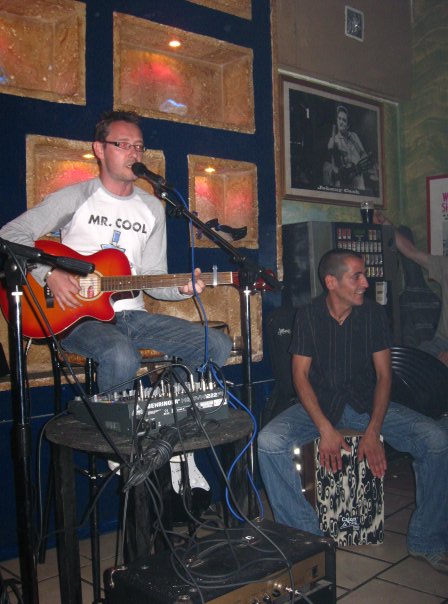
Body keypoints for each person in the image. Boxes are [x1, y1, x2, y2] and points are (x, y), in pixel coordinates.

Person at [0, 110, 232, 392]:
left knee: (217, 344)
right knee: (121, 354)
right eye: (123, 144)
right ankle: (116, 421)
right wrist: (49, 273)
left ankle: (162, 404)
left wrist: (182, 289)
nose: (133, 153)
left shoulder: (152, 208)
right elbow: (9, 234)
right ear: (99, 149)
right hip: (77, 319)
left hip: (134, 316)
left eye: (139, 146)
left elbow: (153, 276)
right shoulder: (77, 196)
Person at [258, 249, 448, 573]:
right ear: (331, 282)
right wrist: (325, 429)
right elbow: (300, 377)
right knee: (268, 441)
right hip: (319, 406)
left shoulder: (373, 314)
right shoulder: (308, 315)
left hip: (364, 404)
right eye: (356, 276)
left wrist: (374, 431)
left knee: (436, 440)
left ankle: (427, 539)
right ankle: (308, 540)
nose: (365, 283)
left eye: (364, 275)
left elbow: (385, 376)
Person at [375, 211, 448, 365]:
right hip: (440, 342)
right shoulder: (445, 265)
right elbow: (411, 252)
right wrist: (386, 224)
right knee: (404, 364)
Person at [323, 104, 369, 190]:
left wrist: (361, 164)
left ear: (348, 124)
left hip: (359, 184)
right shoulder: (334, 140)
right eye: (339, 119)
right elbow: (330, 166)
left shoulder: (354, 136)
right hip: (345, 185)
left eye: (344, 120)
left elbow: (363, 154)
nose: (341, 122)